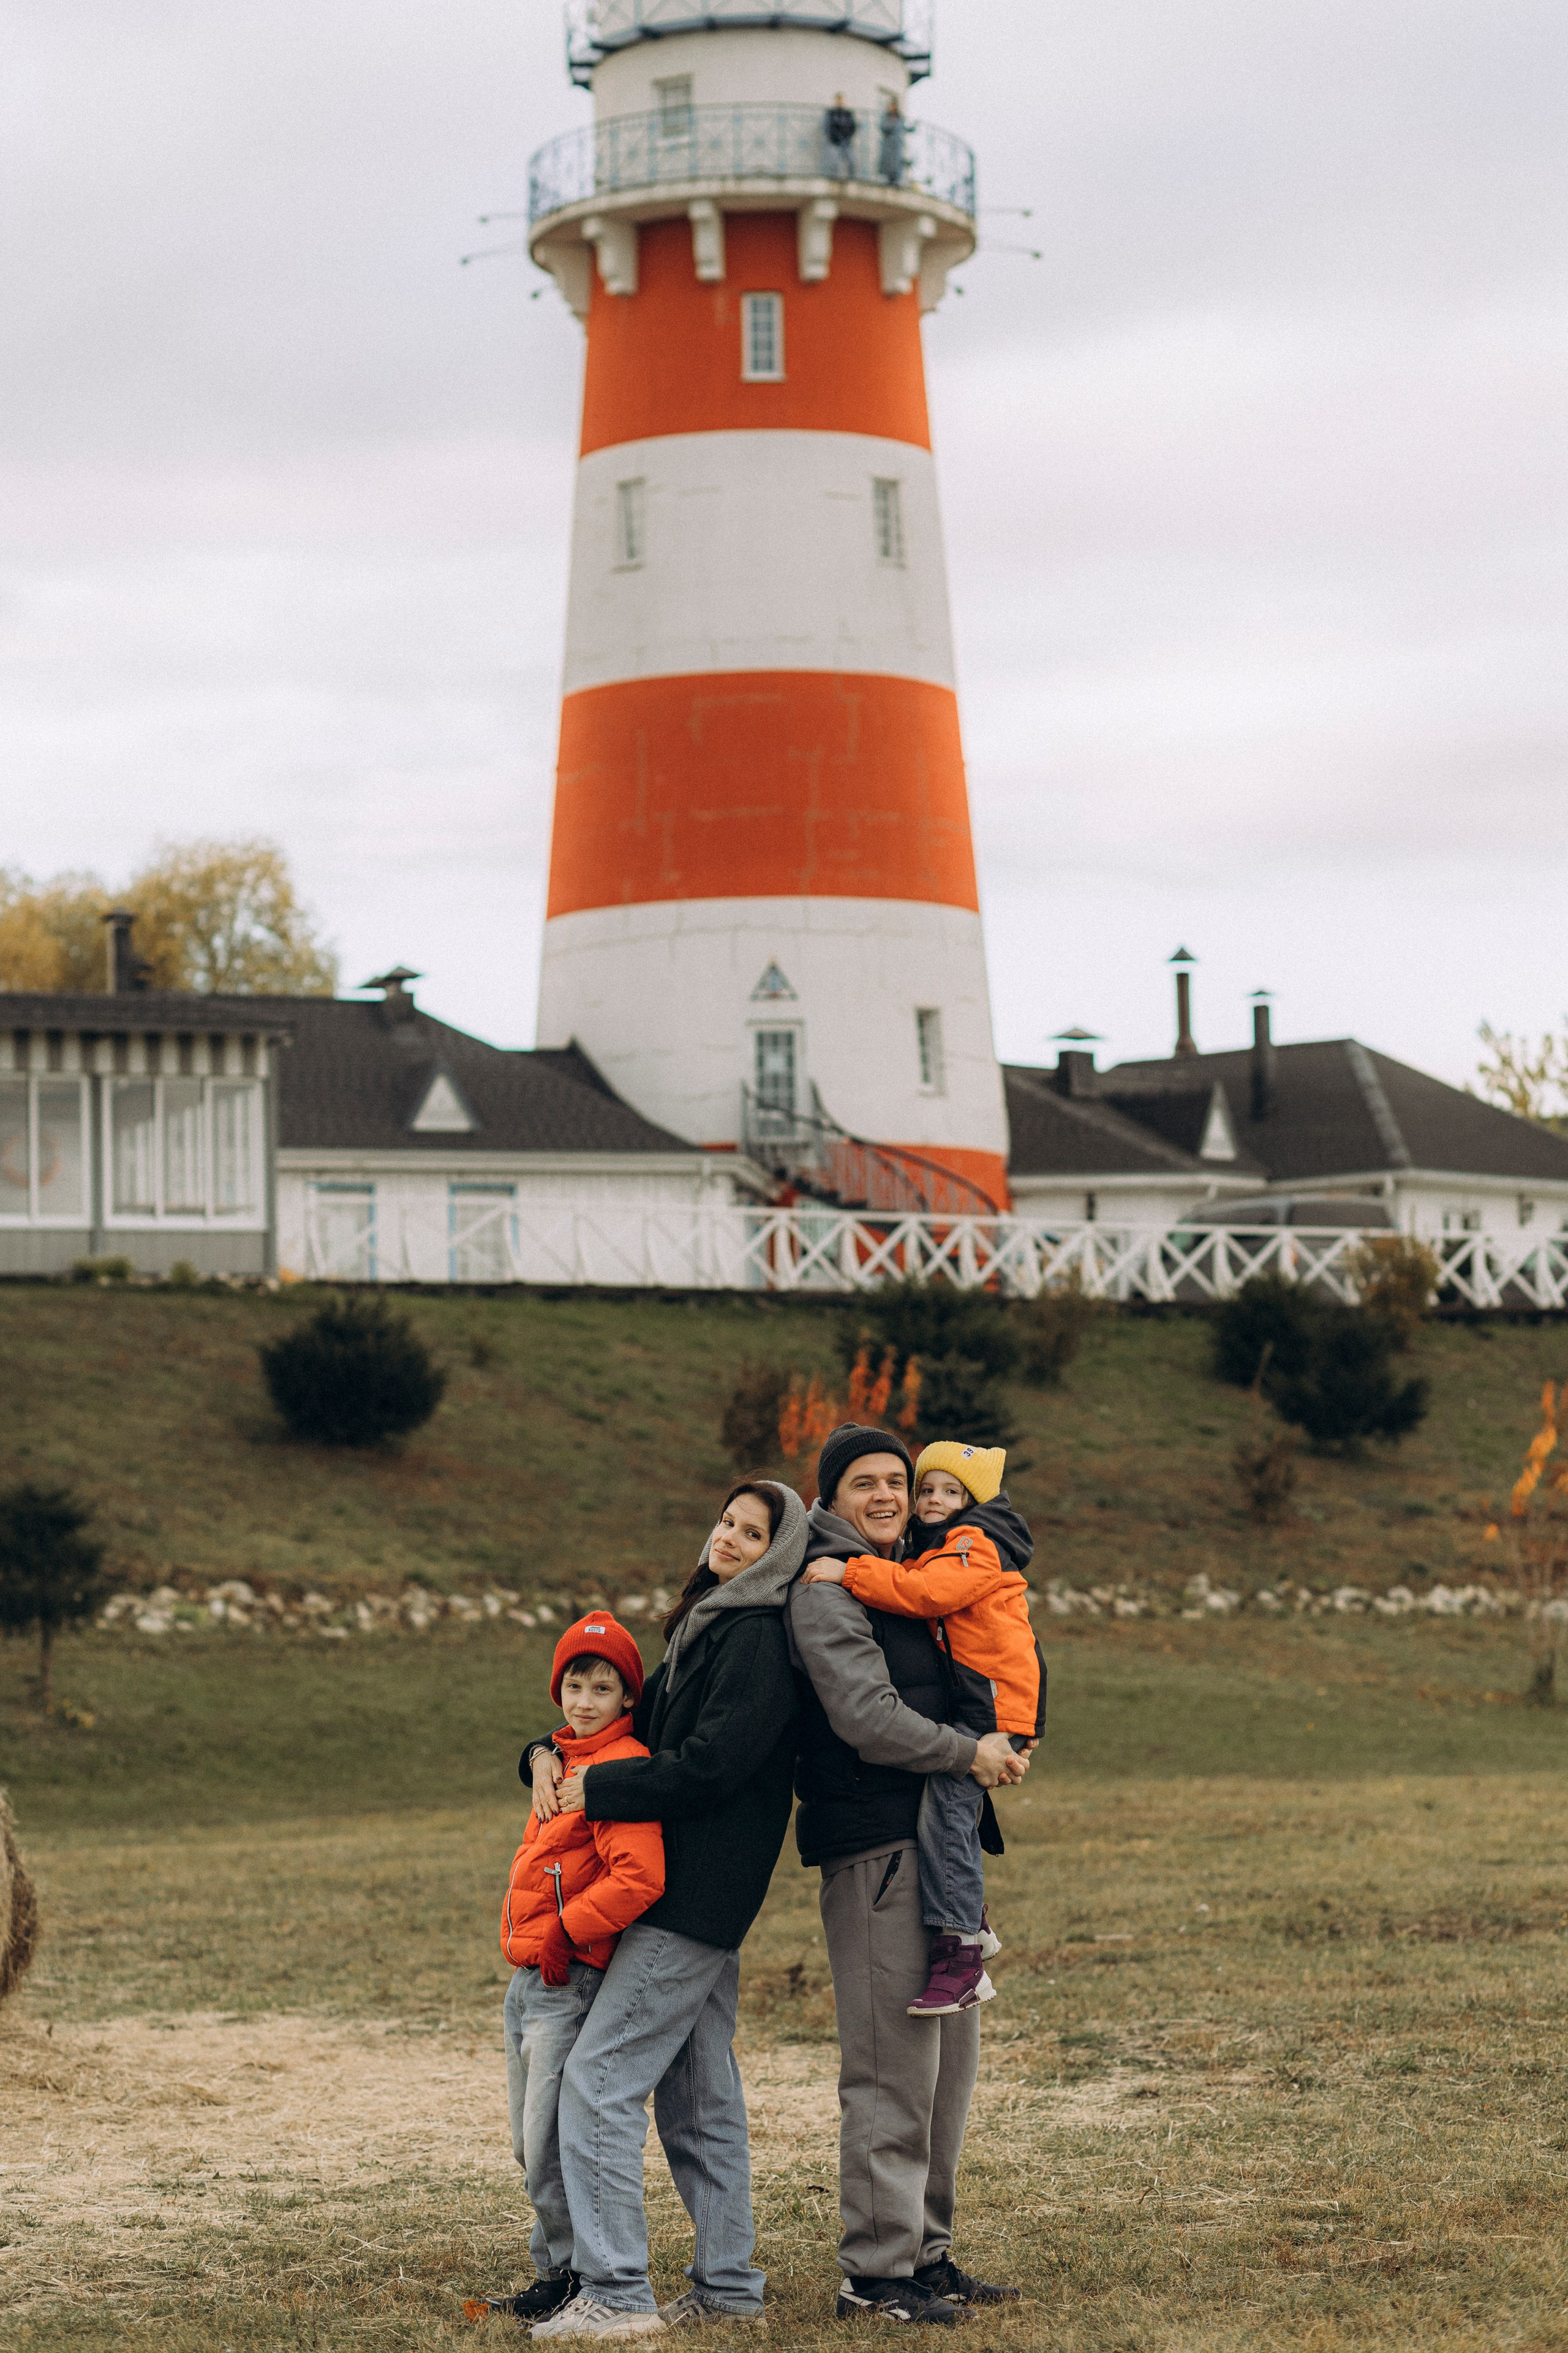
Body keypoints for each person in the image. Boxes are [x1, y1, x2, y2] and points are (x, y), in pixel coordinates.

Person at [524, 1479, 808, 2342]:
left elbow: (713, 1765)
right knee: (698, 2097)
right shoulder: (707, 1626)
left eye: (752, 1533)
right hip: (691, 1893)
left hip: (690, 1896)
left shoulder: (757, 1637)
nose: (729, 1538)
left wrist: (601, 1788)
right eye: (726, 1521)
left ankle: (615, 2292)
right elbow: (625, 1726)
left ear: (777, 1555)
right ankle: (729, 2288)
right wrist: (539, 1752)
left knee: (598, 2081)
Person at [787, 1424, 1028, 2326]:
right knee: (892, 2068)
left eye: (898, 1478)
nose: (887, 1494)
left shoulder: (911, 1575)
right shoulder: (824, 1589)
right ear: (829, 1498)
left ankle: (926, 2253)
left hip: (938, 1850)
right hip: (877, 1848)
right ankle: (875, 2273)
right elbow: (866, 1716)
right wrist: (971, 1754)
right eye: (864, 1482)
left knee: (946, 2070)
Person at [802, 1441, 1042, 2019]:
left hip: (989, 1707)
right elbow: (869, 1715)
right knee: (951, 1810)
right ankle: (969, 1927)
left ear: (973, 1501)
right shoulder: (929, 1553)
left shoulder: (969, 1545)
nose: (928, 1499)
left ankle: (961, 1947)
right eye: (926, 1488)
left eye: (947, 1490)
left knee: (950, 1812)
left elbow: (926, 1594)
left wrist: (851, 1571)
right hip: (878, 1824)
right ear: (831, 1499)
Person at [475, 1615, 666, 2328]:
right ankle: (556, 2268)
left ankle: (574, 2275)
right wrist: (540, 1754)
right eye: (574, 1686)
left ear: (628, 1696)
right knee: (529, 2141)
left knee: (552, 2141)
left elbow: (639, 1877)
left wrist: (565, 1930)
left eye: (603, 1688)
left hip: (568, 1976)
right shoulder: (560, 1756)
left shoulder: (619, 1770)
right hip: (526, 1977)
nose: (585, 1701)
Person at [823, 91, 858, 177]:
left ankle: (852, 179)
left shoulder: (848, 114)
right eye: (838, 100)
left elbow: (853, 126)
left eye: (841, 100)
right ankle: (833, 180)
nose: (840, 102)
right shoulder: (831, 113)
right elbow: (827, 127)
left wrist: (849, 137)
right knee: (834, 163)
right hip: (835, 142)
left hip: (847, 142)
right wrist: (833, 137)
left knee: (852, 162)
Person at [878, 94, 906, 187]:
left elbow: (903, 128)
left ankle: (896, 179)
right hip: (888, 144)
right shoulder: (887, 117)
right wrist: (891, 123)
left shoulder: (899, 117)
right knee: (887, 162)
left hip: (897, 145)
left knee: (897, 163)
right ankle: (887, 178)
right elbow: (883, 127)